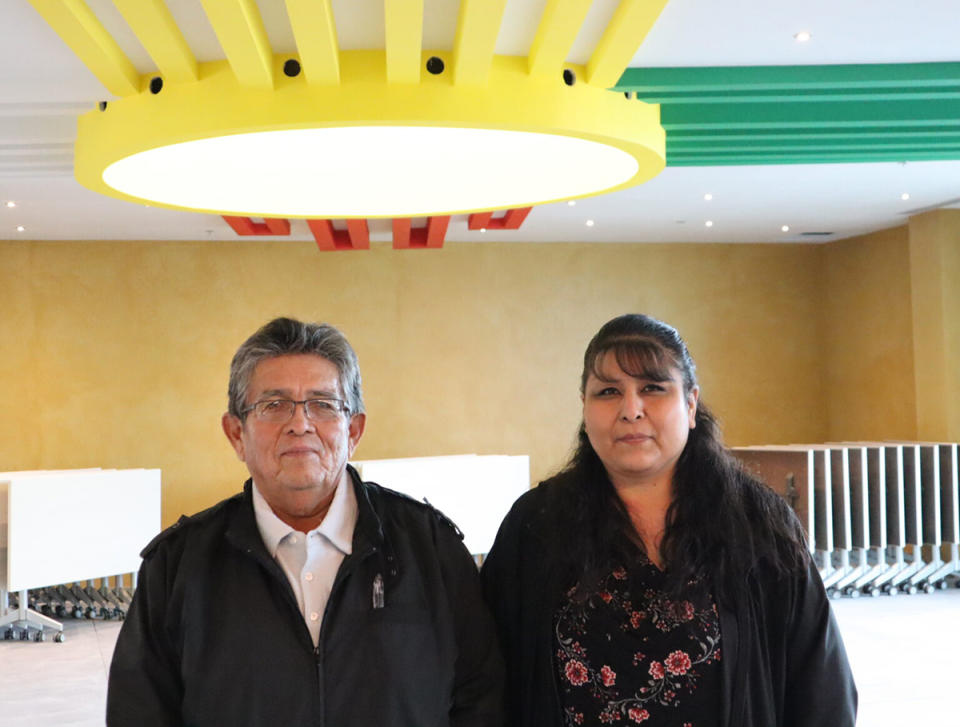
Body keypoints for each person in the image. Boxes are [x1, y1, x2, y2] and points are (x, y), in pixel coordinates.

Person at [107, 317, 503, 727]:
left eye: (323, 404)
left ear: (354, 430)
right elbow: (139, 712)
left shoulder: (431, 549)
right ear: (236, 434)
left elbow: (481, 697)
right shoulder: (177, 568)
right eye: (274, 405)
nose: (300, 424)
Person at [481, 314, 856, 727]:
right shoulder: (536, 524)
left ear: (690, 404)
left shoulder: (755, 524)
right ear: (585, 411)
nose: (631, 410)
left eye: (652, 388)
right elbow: (487, 675)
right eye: (608, 391)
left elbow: (821, 686)